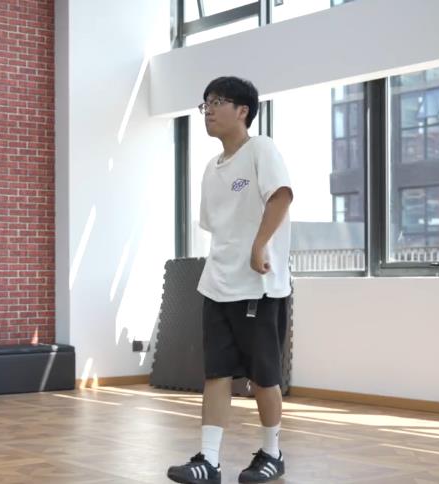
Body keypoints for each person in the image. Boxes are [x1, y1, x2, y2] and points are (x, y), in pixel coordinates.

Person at [167, 76, 293, 484]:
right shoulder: (211, 168)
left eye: (218, 101)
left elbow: (281, 197)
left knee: (263, 377)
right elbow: (216, 226)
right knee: (216, 374)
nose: (208, 109)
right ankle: (209, 460)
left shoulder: (261, 149)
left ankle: (272, 453)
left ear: (243, 111)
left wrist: (259, 246)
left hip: (258, 286)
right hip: (218, 285)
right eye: (205, 102)